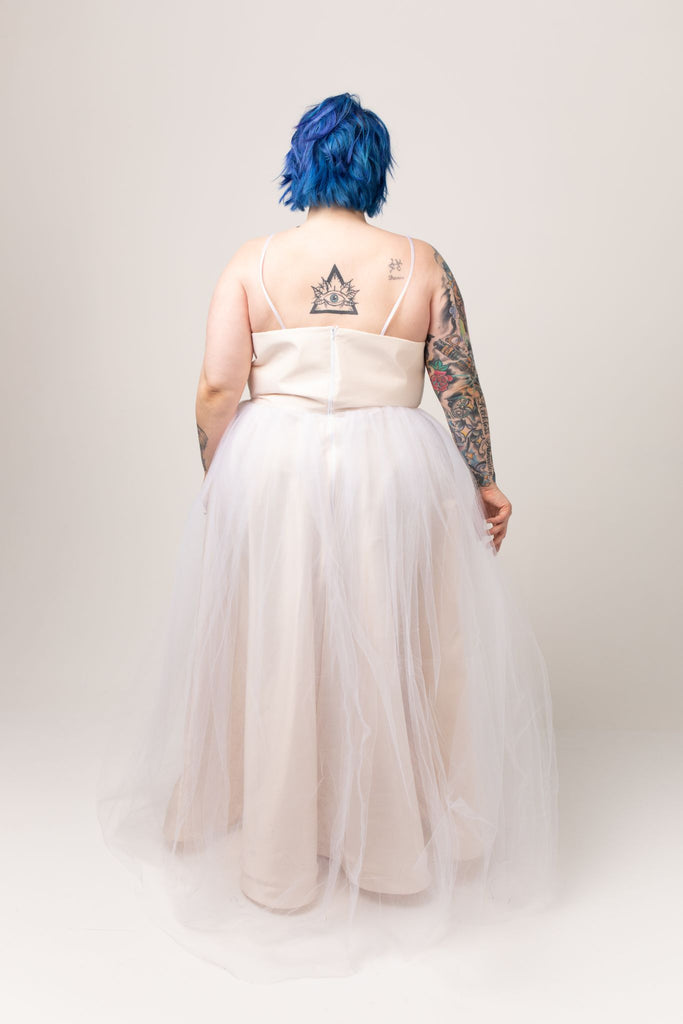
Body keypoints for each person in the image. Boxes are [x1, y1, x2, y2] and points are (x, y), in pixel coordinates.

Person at [96, 92, 559, 983]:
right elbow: (457, 381)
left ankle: (281, 847)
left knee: (281, 637)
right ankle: (386, 842)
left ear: (299, 164)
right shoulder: (421, 262)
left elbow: (215, 388)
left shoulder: (252, 261)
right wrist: (483, 478)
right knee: (389, 635)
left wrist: (218, 471)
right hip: (396, 471)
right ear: (375, 169)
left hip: (275, 465)